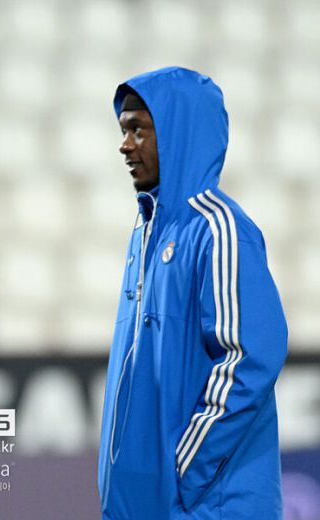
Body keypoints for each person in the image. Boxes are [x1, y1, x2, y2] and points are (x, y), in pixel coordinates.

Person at [97, 67, 288, 519]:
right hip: (148, 505)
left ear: (176, 132)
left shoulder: (220, 230)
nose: (125, 145)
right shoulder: (144, 234)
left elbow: (248, 358)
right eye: (123, 131)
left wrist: (182, 468)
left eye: (138, 130)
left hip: (209, 507)